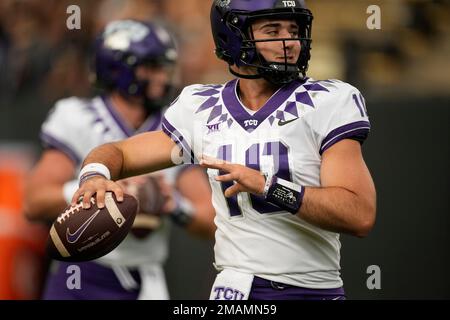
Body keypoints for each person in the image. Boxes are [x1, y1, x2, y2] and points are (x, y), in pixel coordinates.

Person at [72, 0, 376, 300]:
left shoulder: (329, 100)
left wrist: (267, 186)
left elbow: (358, 215)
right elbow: (119, 153)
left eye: (294, 29)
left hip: (311, 291)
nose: (290, 42)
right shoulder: (200, 106)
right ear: (235, 36)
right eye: (273, 30)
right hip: (234, 289)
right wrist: (95, 176)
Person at [24, 19, 215, 300]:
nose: (163, 77)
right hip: (82, 276)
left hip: (144, 279)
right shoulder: (77, 117)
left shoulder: (173, 126)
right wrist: (97, 193)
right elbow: (34, 201)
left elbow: (211, 220)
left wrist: (173, 204)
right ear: (117, 68)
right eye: (152, 67)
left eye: (165, 68)